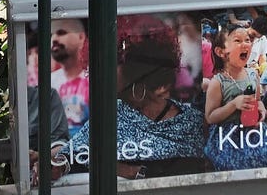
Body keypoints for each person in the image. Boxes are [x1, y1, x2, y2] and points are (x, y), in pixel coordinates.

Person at [65, 13, 208, 180]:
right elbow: (70, 154)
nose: (100, 71)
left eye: (113, 61)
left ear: (137, 67)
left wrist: (131, 171)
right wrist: (55, 162)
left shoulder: (191, 122)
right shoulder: (107, 118)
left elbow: (201, 175)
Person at [202, 24, 267, 170]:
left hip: (254, 130)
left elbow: (259, 101)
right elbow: (210, 117)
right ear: (221, 52)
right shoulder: (218, 82)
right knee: (239, 164)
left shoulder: (253, 75)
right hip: (228, 135)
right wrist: (233, 104)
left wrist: (261, 110)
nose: (245, 44)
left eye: (247, 40)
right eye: (237, 41)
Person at [49, 17, 90, 136]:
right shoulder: (48, 83)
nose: (54, 39)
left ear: (81, 37)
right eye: (51, 34)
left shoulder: (97, 78)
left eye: (61, 33)